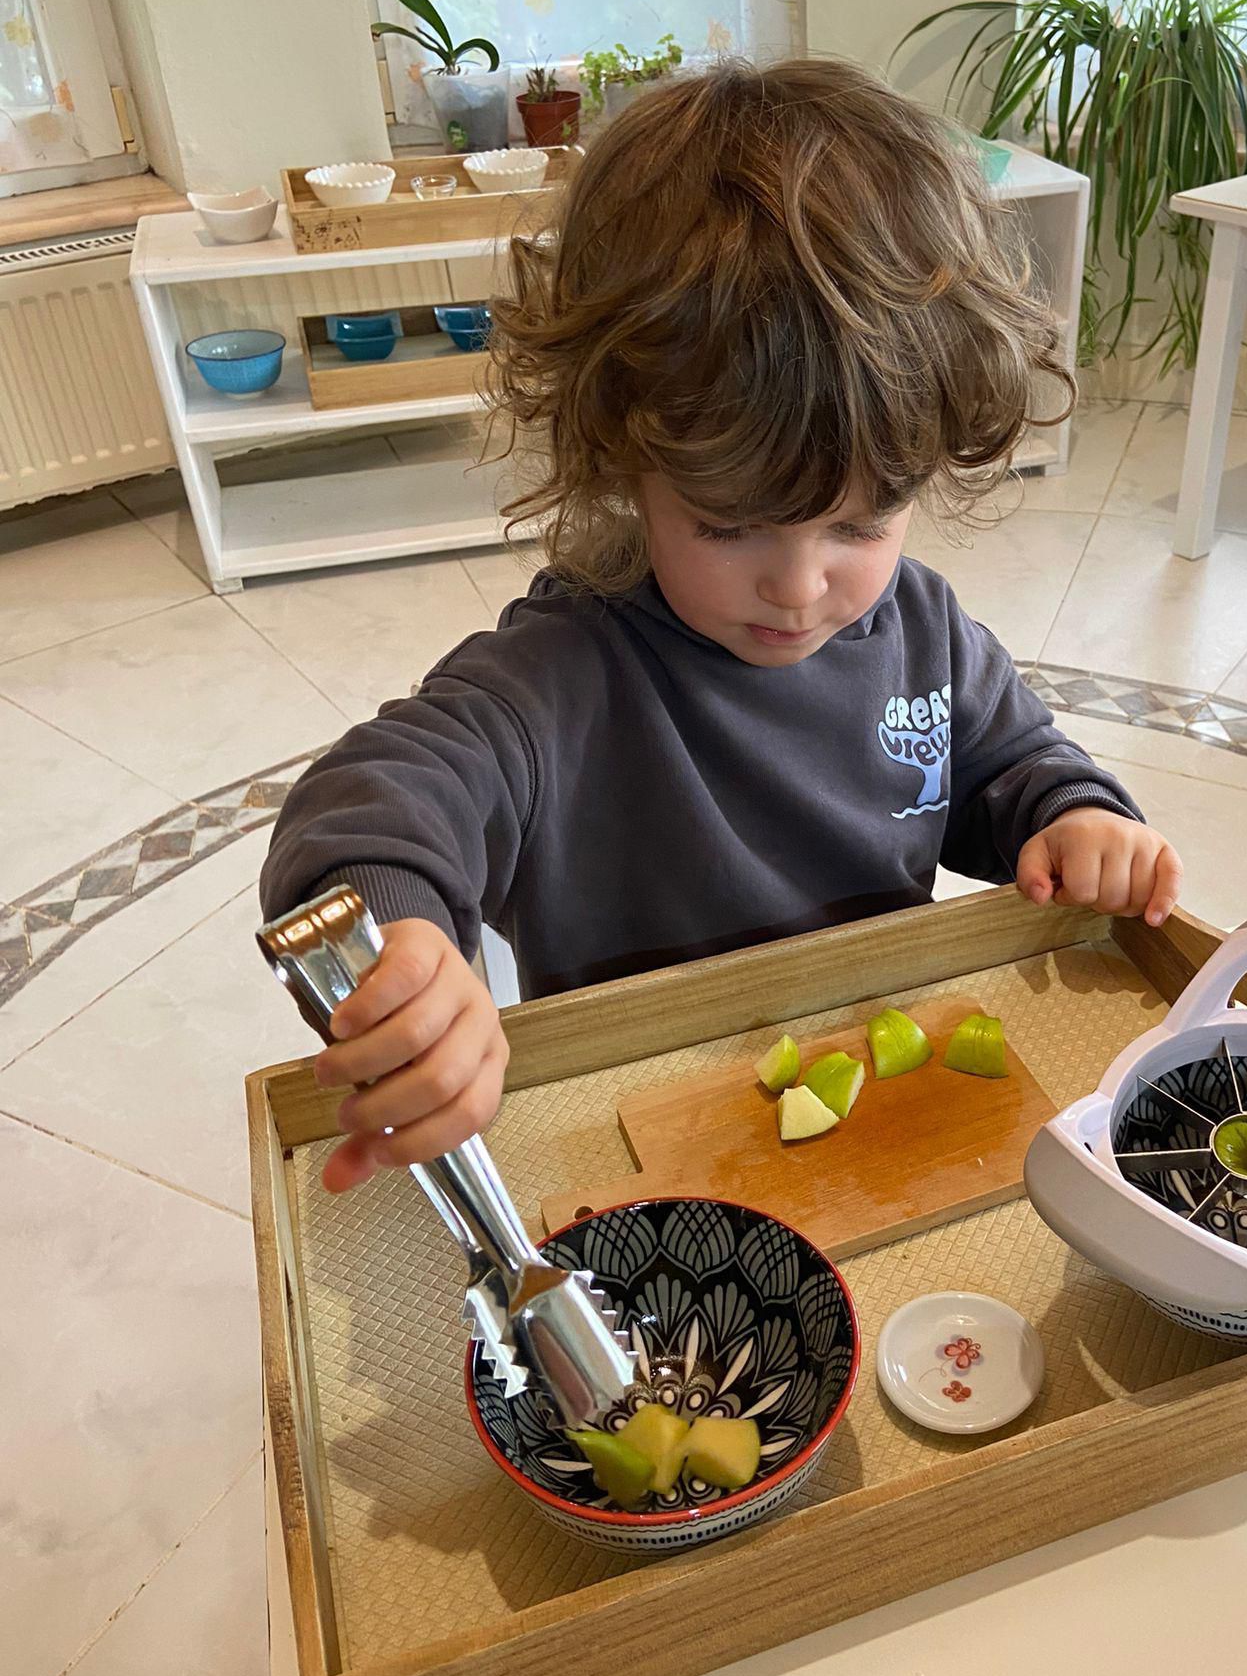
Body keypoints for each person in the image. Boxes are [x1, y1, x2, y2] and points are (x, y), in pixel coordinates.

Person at [261, 58, 1182, 1194]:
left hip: (873, 1112)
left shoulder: (922, 628)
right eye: (732, 524)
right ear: (621, 457)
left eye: (861, 519)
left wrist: (1077, 815)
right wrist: (401, 944)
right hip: (631, 1134)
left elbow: (1015, 766)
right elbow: (367, 805)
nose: (801, 586)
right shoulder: (559, 676)